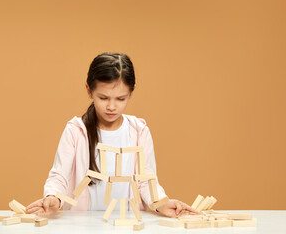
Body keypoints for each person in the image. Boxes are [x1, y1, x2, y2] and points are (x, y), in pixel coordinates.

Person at [26, 52, 197, 218]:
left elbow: (146, 180)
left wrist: (161, 203)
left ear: (131, 93)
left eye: (121, 99)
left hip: (128, 222)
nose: (111, 107)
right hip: (83, 225)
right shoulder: (76, 130)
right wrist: (53, 197)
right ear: (89, 91)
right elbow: (59, 175)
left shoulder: (139, 131)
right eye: (103, 98)